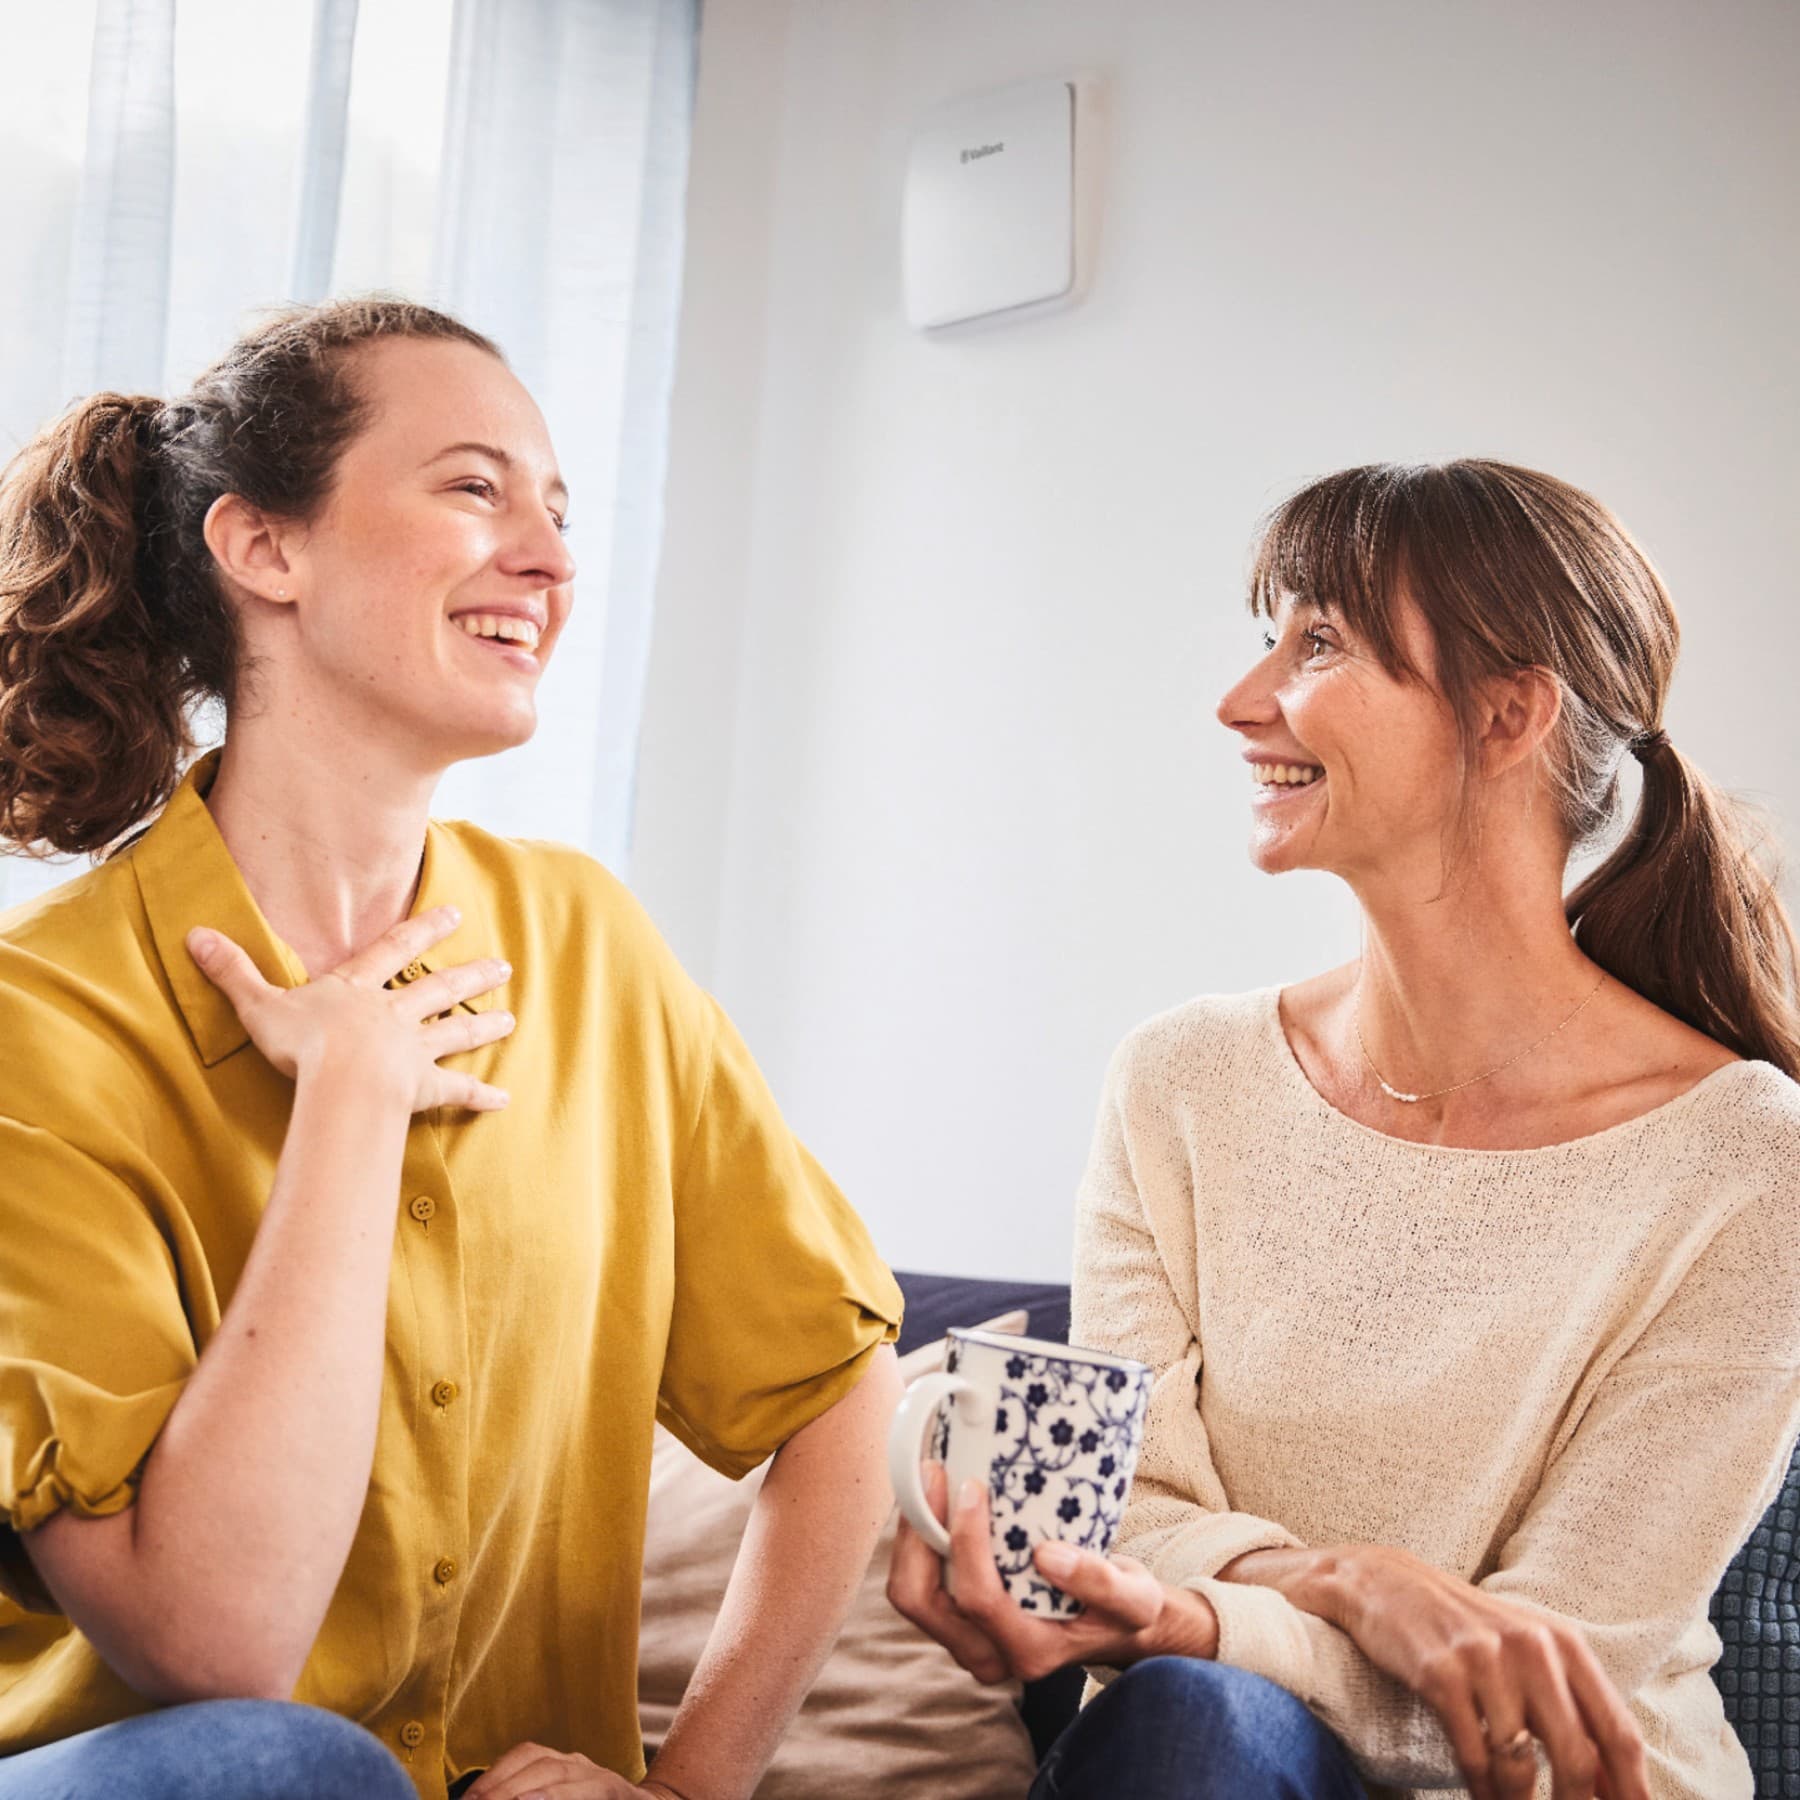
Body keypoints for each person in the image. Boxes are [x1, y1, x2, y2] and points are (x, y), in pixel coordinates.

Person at [0, 296, 905, 1800]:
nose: (549, 560)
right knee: (284, 1765)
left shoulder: (588, 944)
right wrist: (352, 1103)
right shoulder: (41, 1024)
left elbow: (835, 1388)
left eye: (559, 509)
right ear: (265, 548)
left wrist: (694, 1786)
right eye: (476, 489)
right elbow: (217, 1650)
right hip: (151, 1777)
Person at [889, 459, 1800, 1800]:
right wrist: (1343, 1583)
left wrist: (1214, 1615)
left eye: (1317, 644)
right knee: (1191, 1723)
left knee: (1194, 1711)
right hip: (1209, 1749)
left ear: (1507, 715)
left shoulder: (1748, 1158)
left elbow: (1552, 1678)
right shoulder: (1179, 1082)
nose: (1242, 700)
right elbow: (1125, 1510)